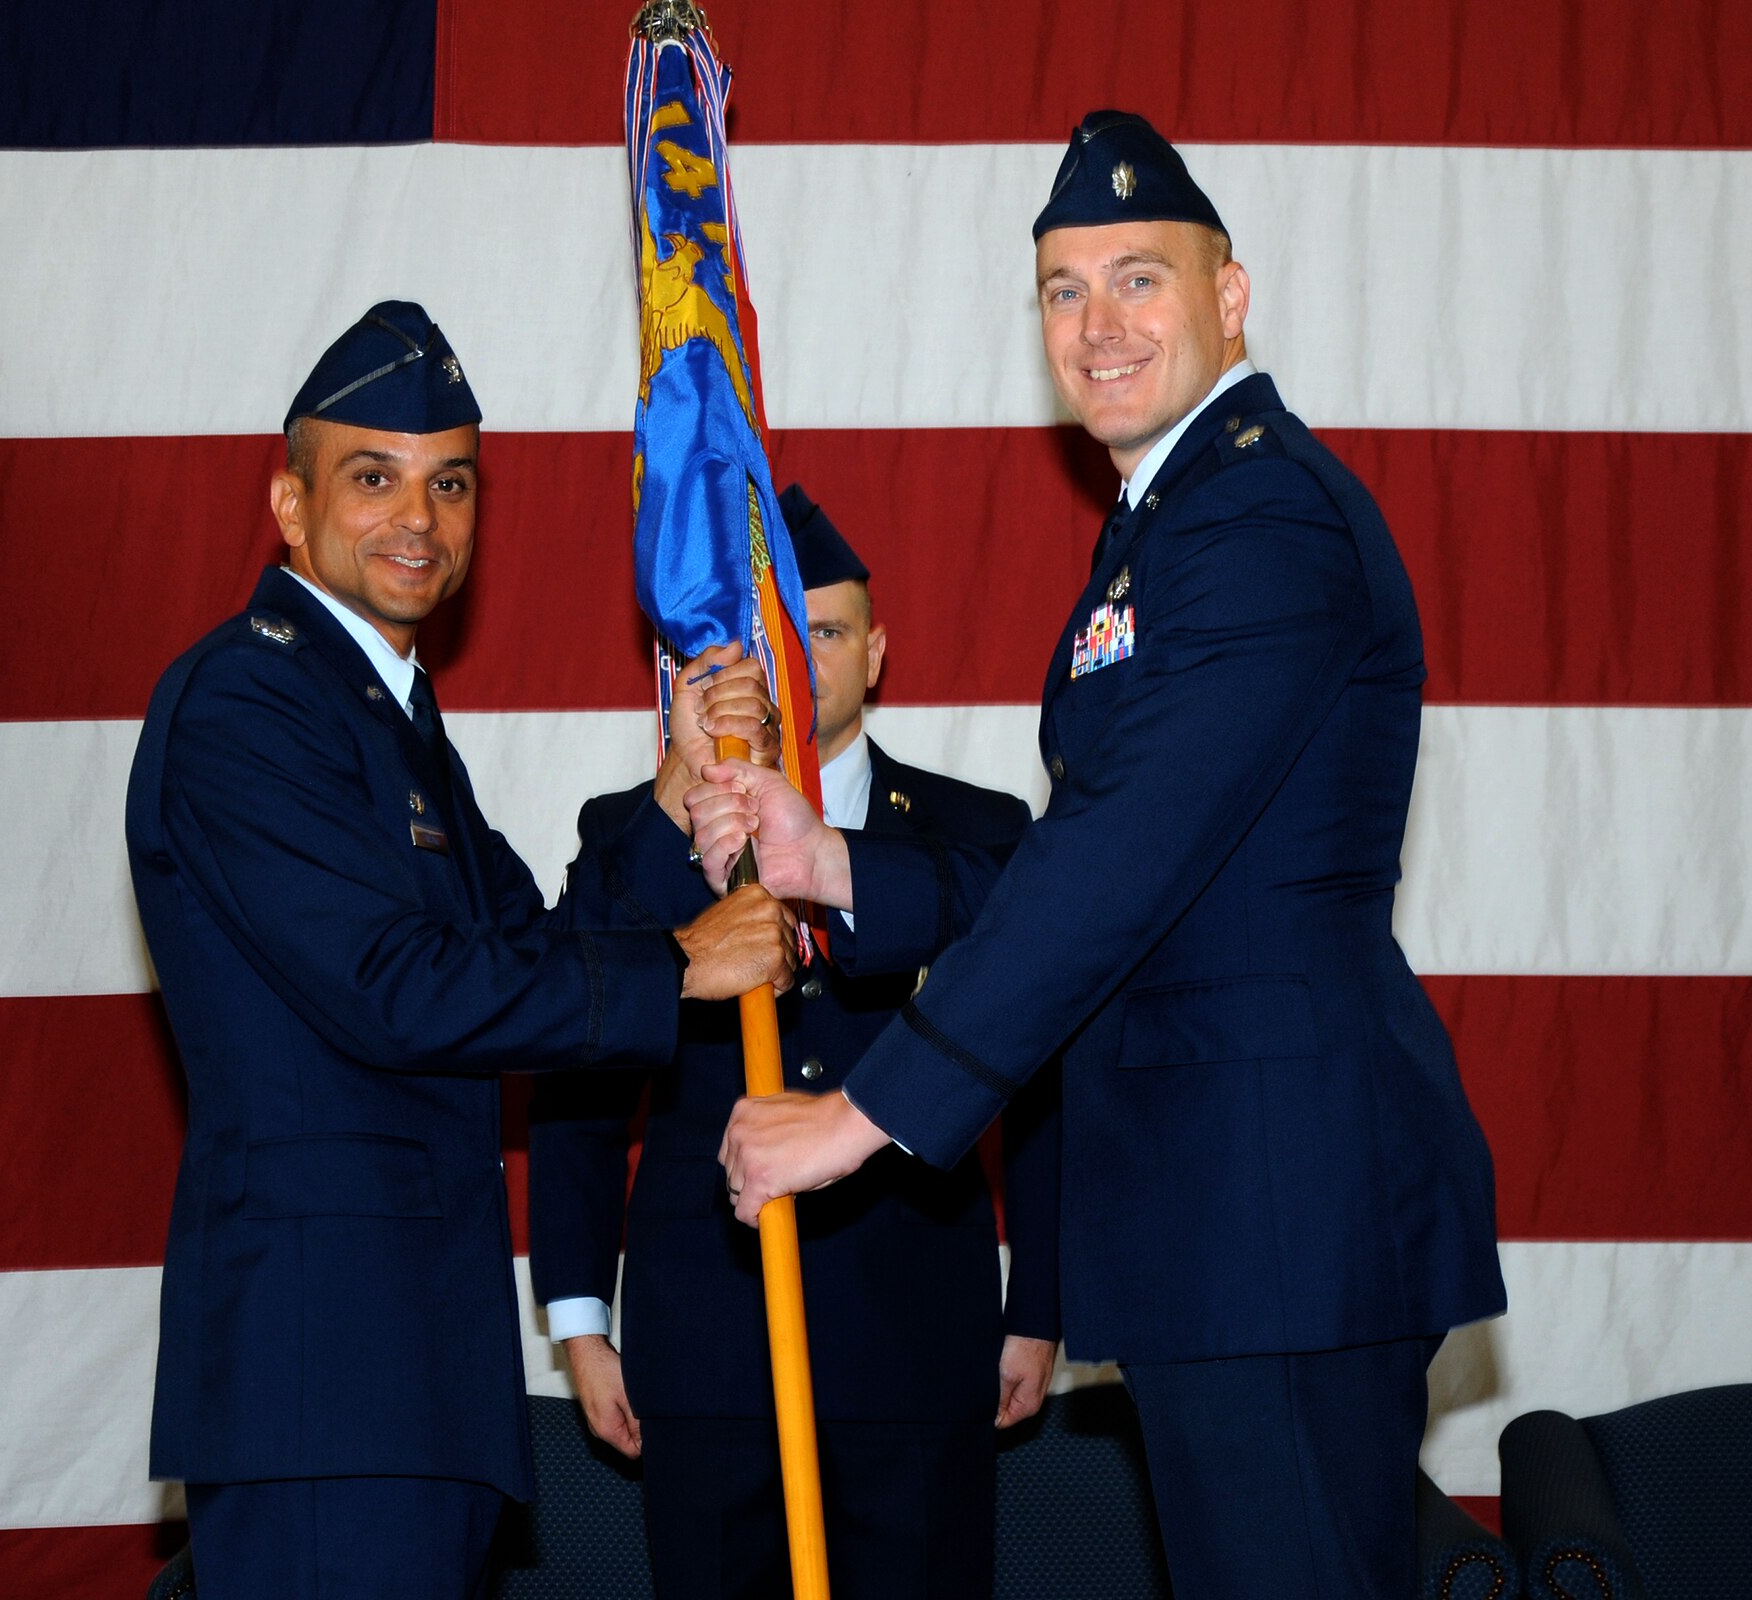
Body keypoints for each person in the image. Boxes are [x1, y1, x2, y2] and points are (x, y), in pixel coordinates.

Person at [697, 114, 1507, 1600]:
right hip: (1228, 1217)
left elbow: (1123, 861)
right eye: (1065, 291)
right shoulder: (1166, 524)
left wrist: (864, 1117)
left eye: (1140, 278)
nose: (1100, 325)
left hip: (1280, 1212)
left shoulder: (1256, 512)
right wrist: (838, 870)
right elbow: (1117, 866)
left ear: (1232, 295)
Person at [124, 301, 799, 1600]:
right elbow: (392, 992)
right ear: (288, 501)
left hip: (408, 1367)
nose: (418, 521)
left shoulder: (385, 713)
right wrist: (678, 967)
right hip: (323, 1375)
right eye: (372, 479)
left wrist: (668, 809)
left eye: (450, 485)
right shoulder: (248, 702)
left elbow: (523, 952)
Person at [529, 485, 1062, 1600]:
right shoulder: (633, 836)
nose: (804, 658)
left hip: (913, 1339)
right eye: (780, 635)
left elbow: (1040, 1083)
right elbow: (577, 1071)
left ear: (875, 652)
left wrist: (1043, 1303)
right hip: (708, 1342)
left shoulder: (978, 835)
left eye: (827, 631)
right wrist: (578, 1317)